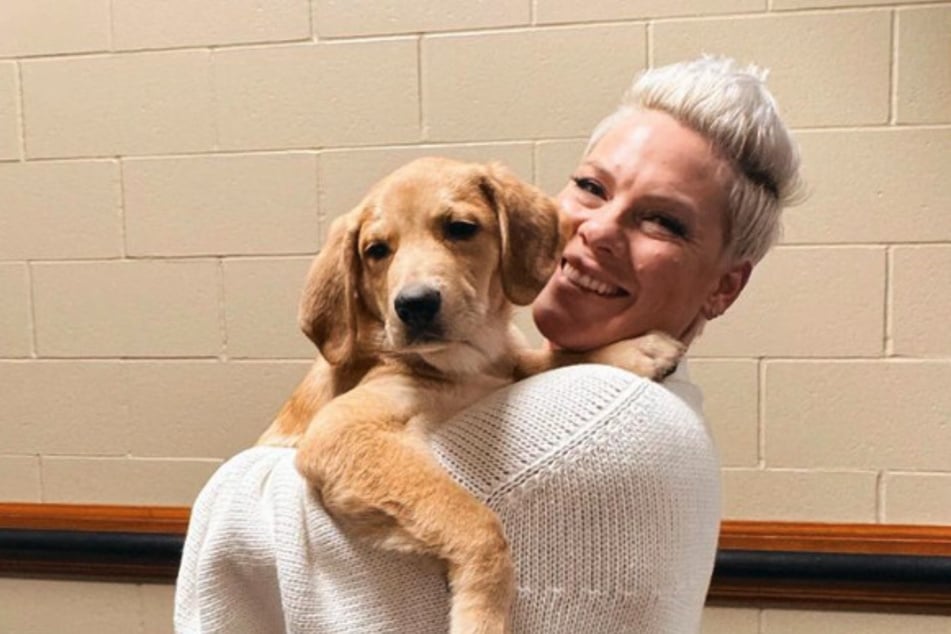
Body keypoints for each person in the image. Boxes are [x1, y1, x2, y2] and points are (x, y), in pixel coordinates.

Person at [174, 56, 803, 633]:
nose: (595, 230)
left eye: (663, 221)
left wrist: (478, 555)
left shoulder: (608, 423)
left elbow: (267, 516)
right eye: (591, 187)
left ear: (723, 286)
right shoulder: (562, 376)